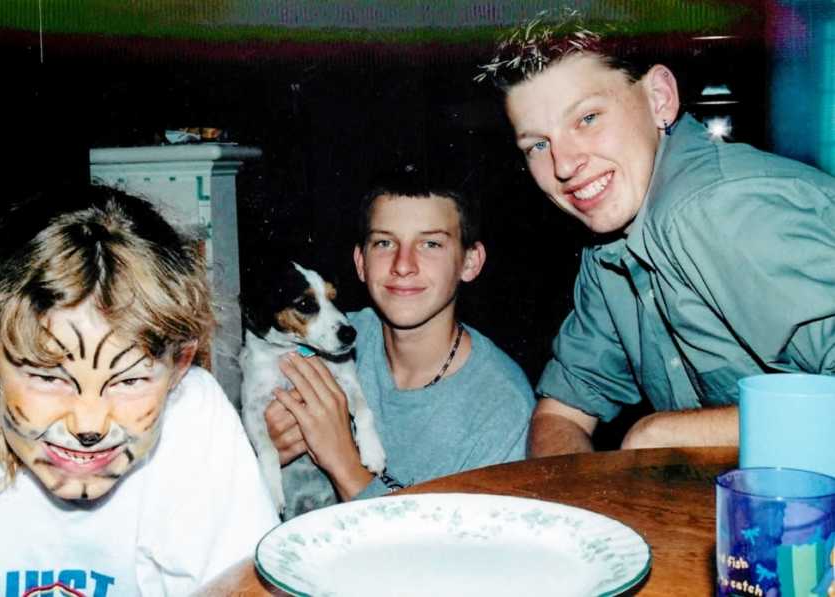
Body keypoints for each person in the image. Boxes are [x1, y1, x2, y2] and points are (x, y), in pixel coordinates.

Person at [475, 11, 835, 456]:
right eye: (538, 145)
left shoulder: (718, 208)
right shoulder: (609, 245)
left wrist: (662, 435)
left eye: (587, 118)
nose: (563, 165)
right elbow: (561, 411)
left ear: (660, 98)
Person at [0, 184, 279, 596]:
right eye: (49, 377)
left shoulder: (194, 412)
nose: (89, 425)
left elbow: (247, 582)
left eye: (129, 381)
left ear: (180, 366)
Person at [264, 169, 536, 499]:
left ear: (470, 261)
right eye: (384, 242)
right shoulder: (321, 339)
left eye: (431, 243)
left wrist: (344, 463)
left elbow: (455, 549)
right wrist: (264, 451)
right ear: (361, 261)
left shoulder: (500, 405)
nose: (403, 265)